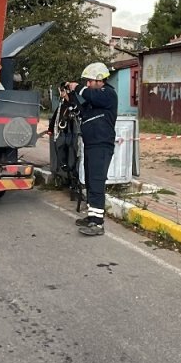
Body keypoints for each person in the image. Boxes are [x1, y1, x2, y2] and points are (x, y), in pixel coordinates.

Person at [66, 62, 117, 236]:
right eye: (86, 82)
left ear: (99, 80)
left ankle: (97, 223)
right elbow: (82, 114)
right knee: (89, 181)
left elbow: (90, 95)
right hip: (91, 145)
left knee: (96, 183)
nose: (87, 84)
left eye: (89, 81)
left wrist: (77, 87)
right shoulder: (93, 101)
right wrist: (70, 98)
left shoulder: (108, 94)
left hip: (101, 145)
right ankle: (92, 216)